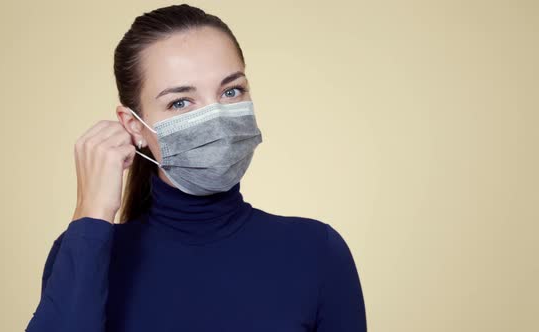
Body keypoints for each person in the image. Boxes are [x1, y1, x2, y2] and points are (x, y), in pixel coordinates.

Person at [25, 4, 366, 332]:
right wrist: (92, 212)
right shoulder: (83, 254)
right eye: (181, 102)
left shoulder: (316, 252)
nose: (215, 116)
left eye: (231, 91)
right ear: (134, 126)